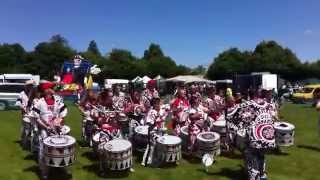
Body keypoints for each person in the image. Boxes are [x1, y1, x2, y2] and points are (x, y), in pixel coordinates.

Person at [227, 89, 276, 180]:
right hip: (267, 137)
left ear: (248, 95)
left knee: (251, 156)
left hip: (255, 137)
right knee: (261, 155)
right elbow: (273, 116)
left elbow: (231, 114)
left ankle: (254, 176)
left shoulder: (248, 105)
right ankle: (262, 175)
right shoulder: (268, 104)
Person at [32, 82, 68, 180]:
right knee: (44, 151)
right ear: (46, 91)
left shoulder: (58, 100)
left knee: (61, 149)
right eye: (51, 88)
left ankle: (61, 167)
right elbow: (37, 118)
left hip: (56, 128)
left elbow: (63, 112)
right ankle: (44, 172)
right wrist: (46, 127)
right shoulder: (39, 102)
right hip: (44, 129)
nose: (53, 90)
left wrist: (58, 121)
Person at [141, 98, 168, 166]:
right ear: (154, 105)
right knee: (151, 147)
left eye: (160, 103)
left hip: (160, 131)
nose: (159, 105)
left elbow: (166, 112)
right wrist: (155, 121)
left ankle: (157, 160)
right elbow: (149, 123)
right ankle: (146, 162)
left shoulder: (162, 111)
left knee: (159, 146)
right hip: (153, 131)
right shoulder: (151, 112)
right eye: (158, 104)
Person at [16, 80, 35, 149]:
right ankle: (24, 143)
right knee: (26, 129)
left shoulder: (34, 94)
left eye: (31, 86)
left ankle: (32, 143)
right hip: (25, 114)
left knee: (33, 129)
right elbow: (18, 102)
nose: (30, 87)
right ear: (26, 86)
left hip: (33, 113)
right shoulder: (22, 93)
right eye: (29, 86)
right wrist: (22, 108)